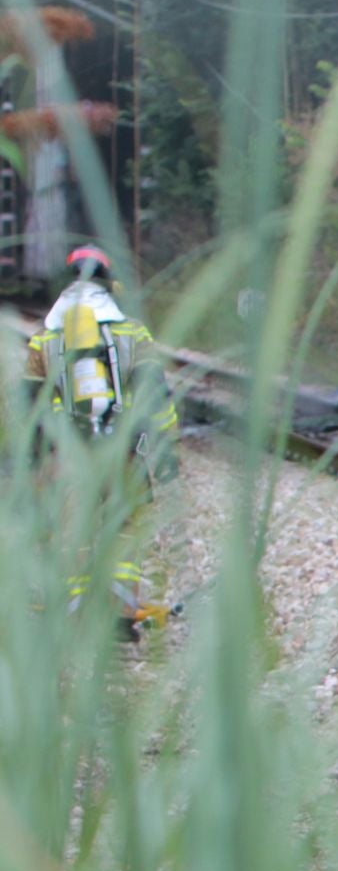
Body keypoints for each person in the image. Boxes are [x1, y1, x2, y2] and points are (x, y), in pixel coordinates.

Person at [24, 244, 180, 635]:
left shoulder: (45, 339)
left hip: (65, 458)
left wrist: (31, 463)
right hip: (121, 454)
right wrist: (163, 449)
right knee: (126, 528)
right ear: (109, 283)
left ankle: (73, 616)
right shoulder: (131, 332)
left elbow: (29, 407)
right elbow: (155, 394)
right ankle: (120, 616)